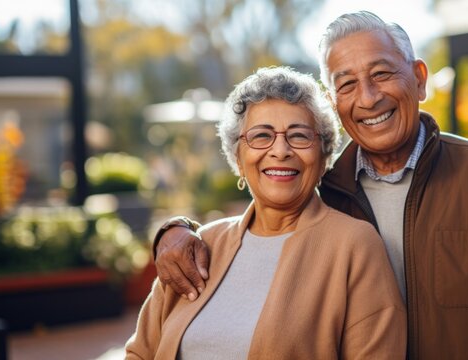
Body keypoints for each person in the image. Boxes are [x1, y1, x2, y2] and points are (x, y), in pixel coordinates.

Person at [152, 11, 468, 359]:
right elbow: (267, 212)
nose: (368, 98)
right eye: (347, 83)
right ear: (334, 103)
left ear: (419, 78)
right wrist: (176, 230)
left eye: (382, 73)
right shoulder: (326, 189)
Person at [125, 66, 406, 359]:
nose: (281, 150)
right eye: (261, 136)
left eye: (299, 136)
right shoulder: (198, 245)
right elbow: (140, 352)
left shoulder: (355, 246)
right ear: (237, 155)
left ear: (323, 156)